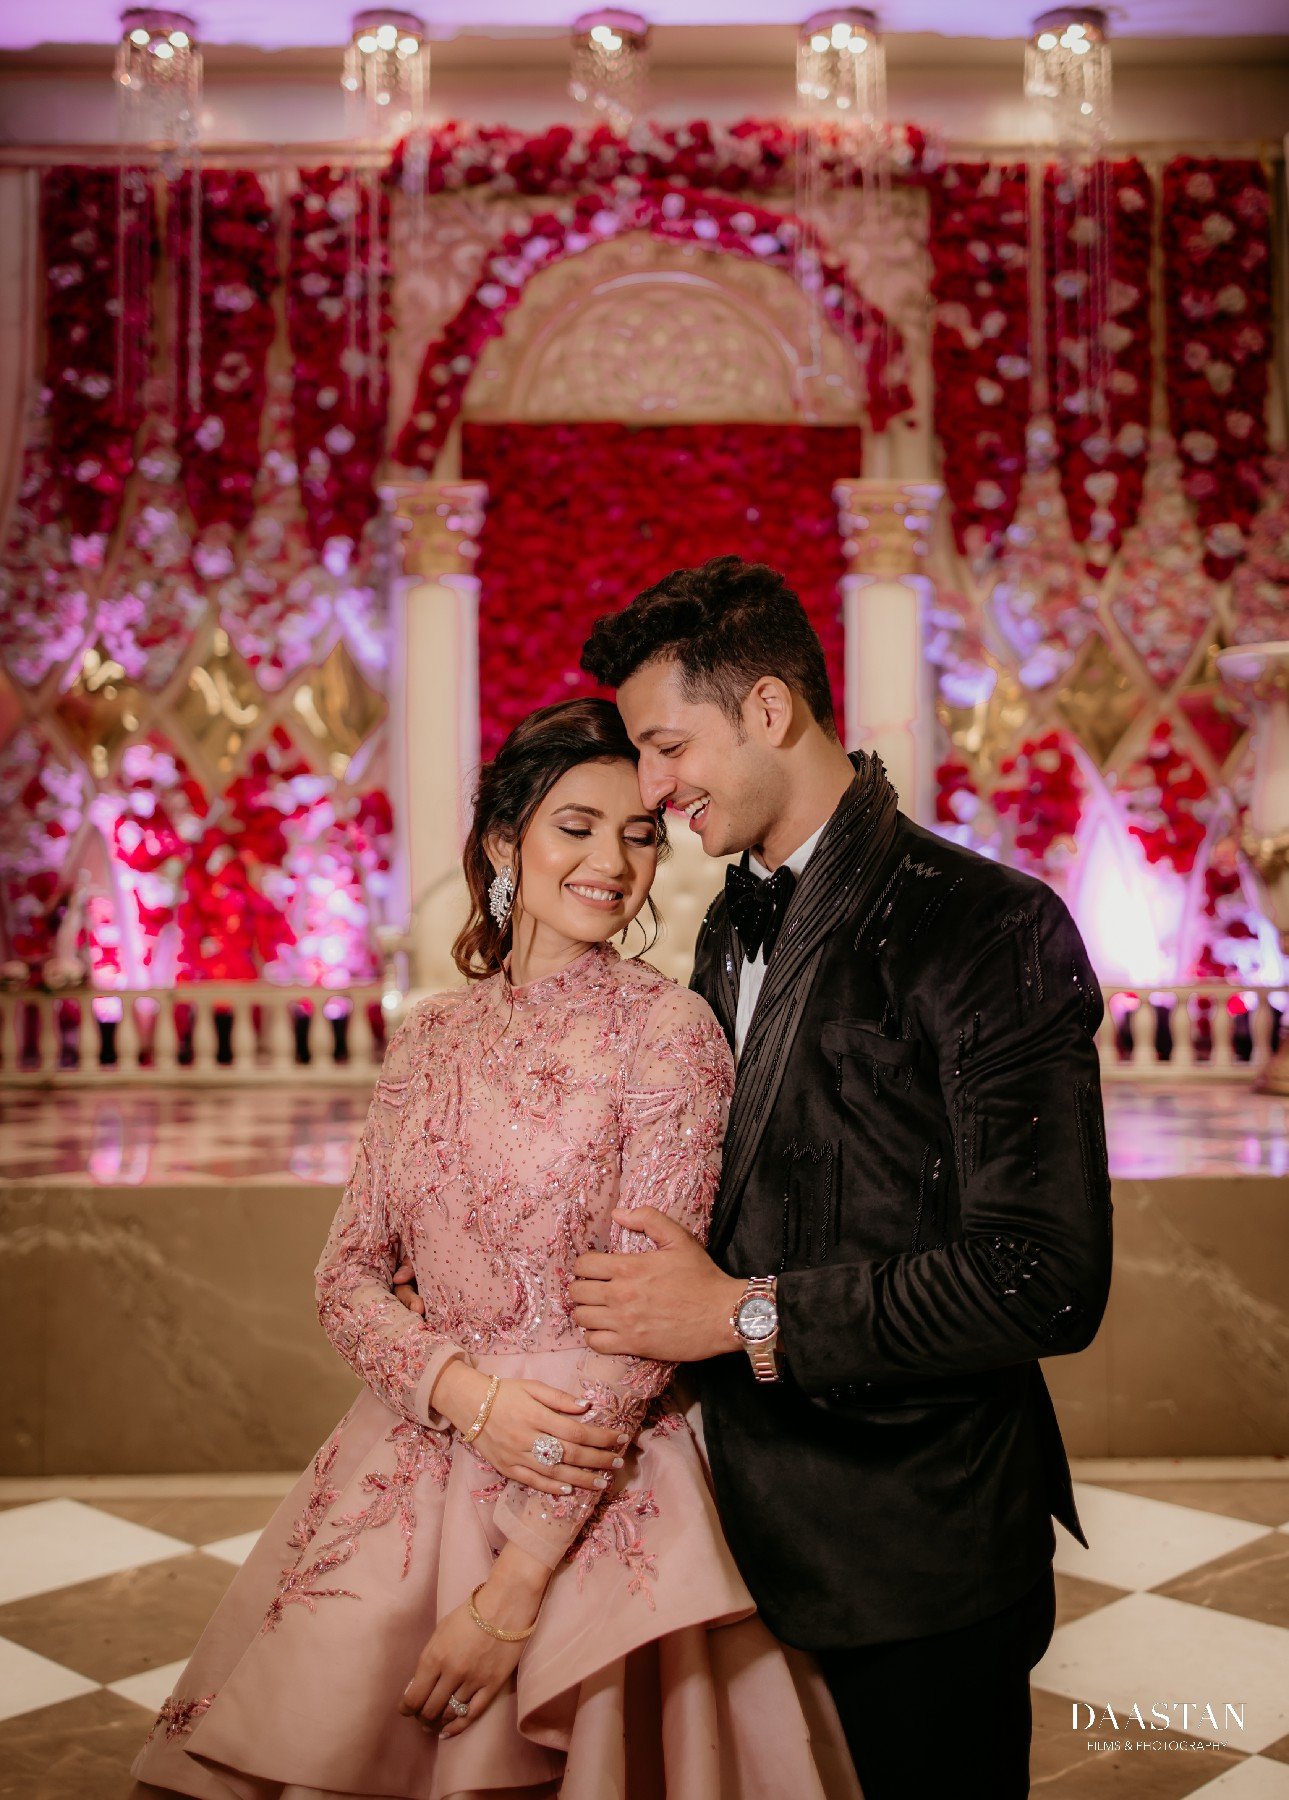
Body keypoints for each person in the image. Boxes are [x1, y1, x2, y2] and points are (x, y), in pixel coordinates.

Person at [130, 697, 860, 1800]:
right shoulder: (427, 1030)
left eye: (638, 832)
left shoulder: (669, 1032)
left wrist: (513, 1585)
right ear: (504, 841)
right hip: (418, 1454)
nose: (612, 862)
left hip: (595, 1471)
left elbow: (648, 1318)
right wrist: (461, 1392)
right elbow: (345, 1276)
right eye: (576, 826)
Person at [559, 555, 1115, 1800]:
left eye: (665, 748)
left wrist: (739, 1313)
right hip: (723, 1534)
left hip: (910, 1543)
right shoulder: (723, 920)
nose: (652, 791)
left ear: (767, 710)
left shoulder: (989, 925)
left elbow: (1042, 1281)